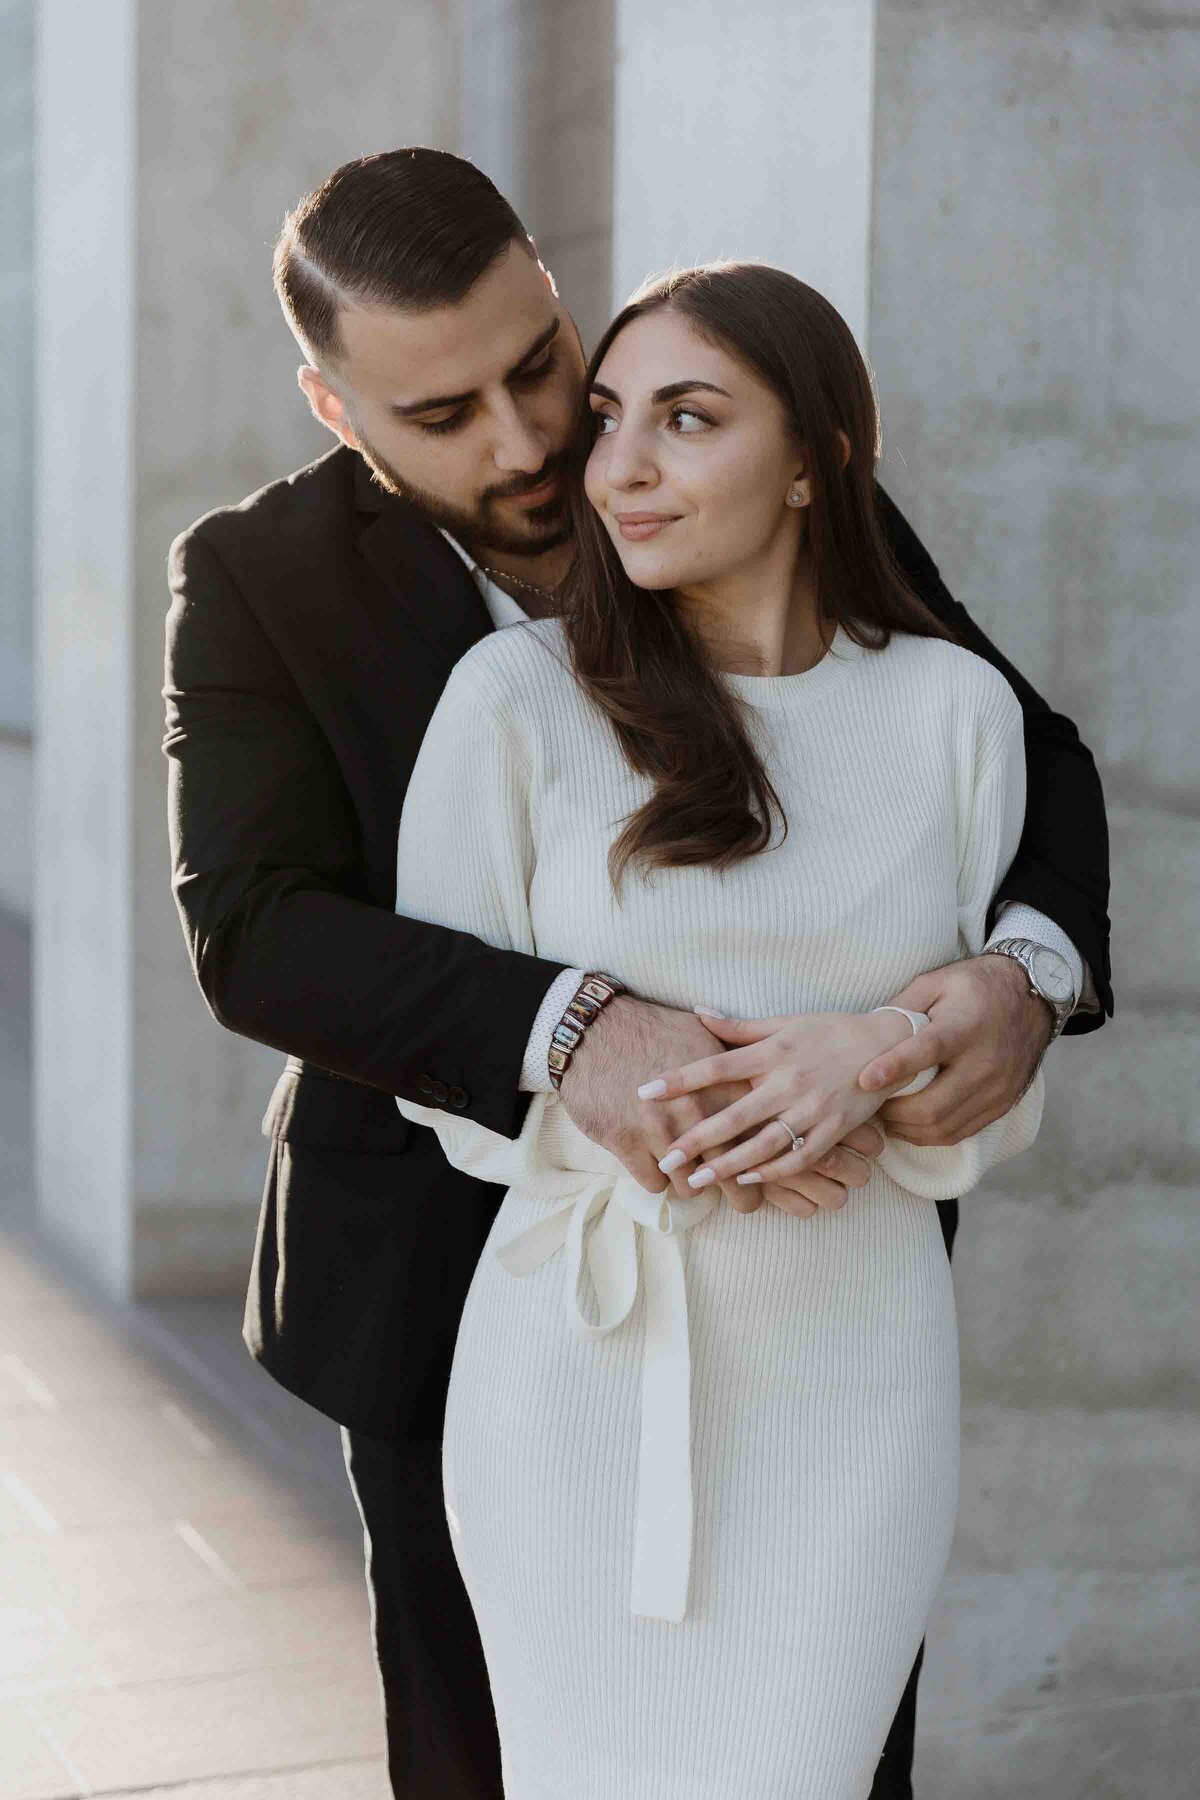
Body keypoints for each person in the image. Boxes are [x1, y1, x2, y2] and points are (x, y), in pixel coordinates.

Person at [162, 149, 1112, 1799]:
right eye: (441, 415)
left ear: (552, 283)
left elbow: (1015, 746)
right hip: (445, 1256)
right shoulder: (256, 580)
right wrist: (574, 1028)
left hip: (820, 1279)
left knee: (816, 1752)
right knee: (495, 1760)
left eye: (535, 364)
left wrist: (1021, 979)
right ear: (333, 409)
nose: (533, 446)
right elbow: (254, 926)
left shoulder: (739, 458)